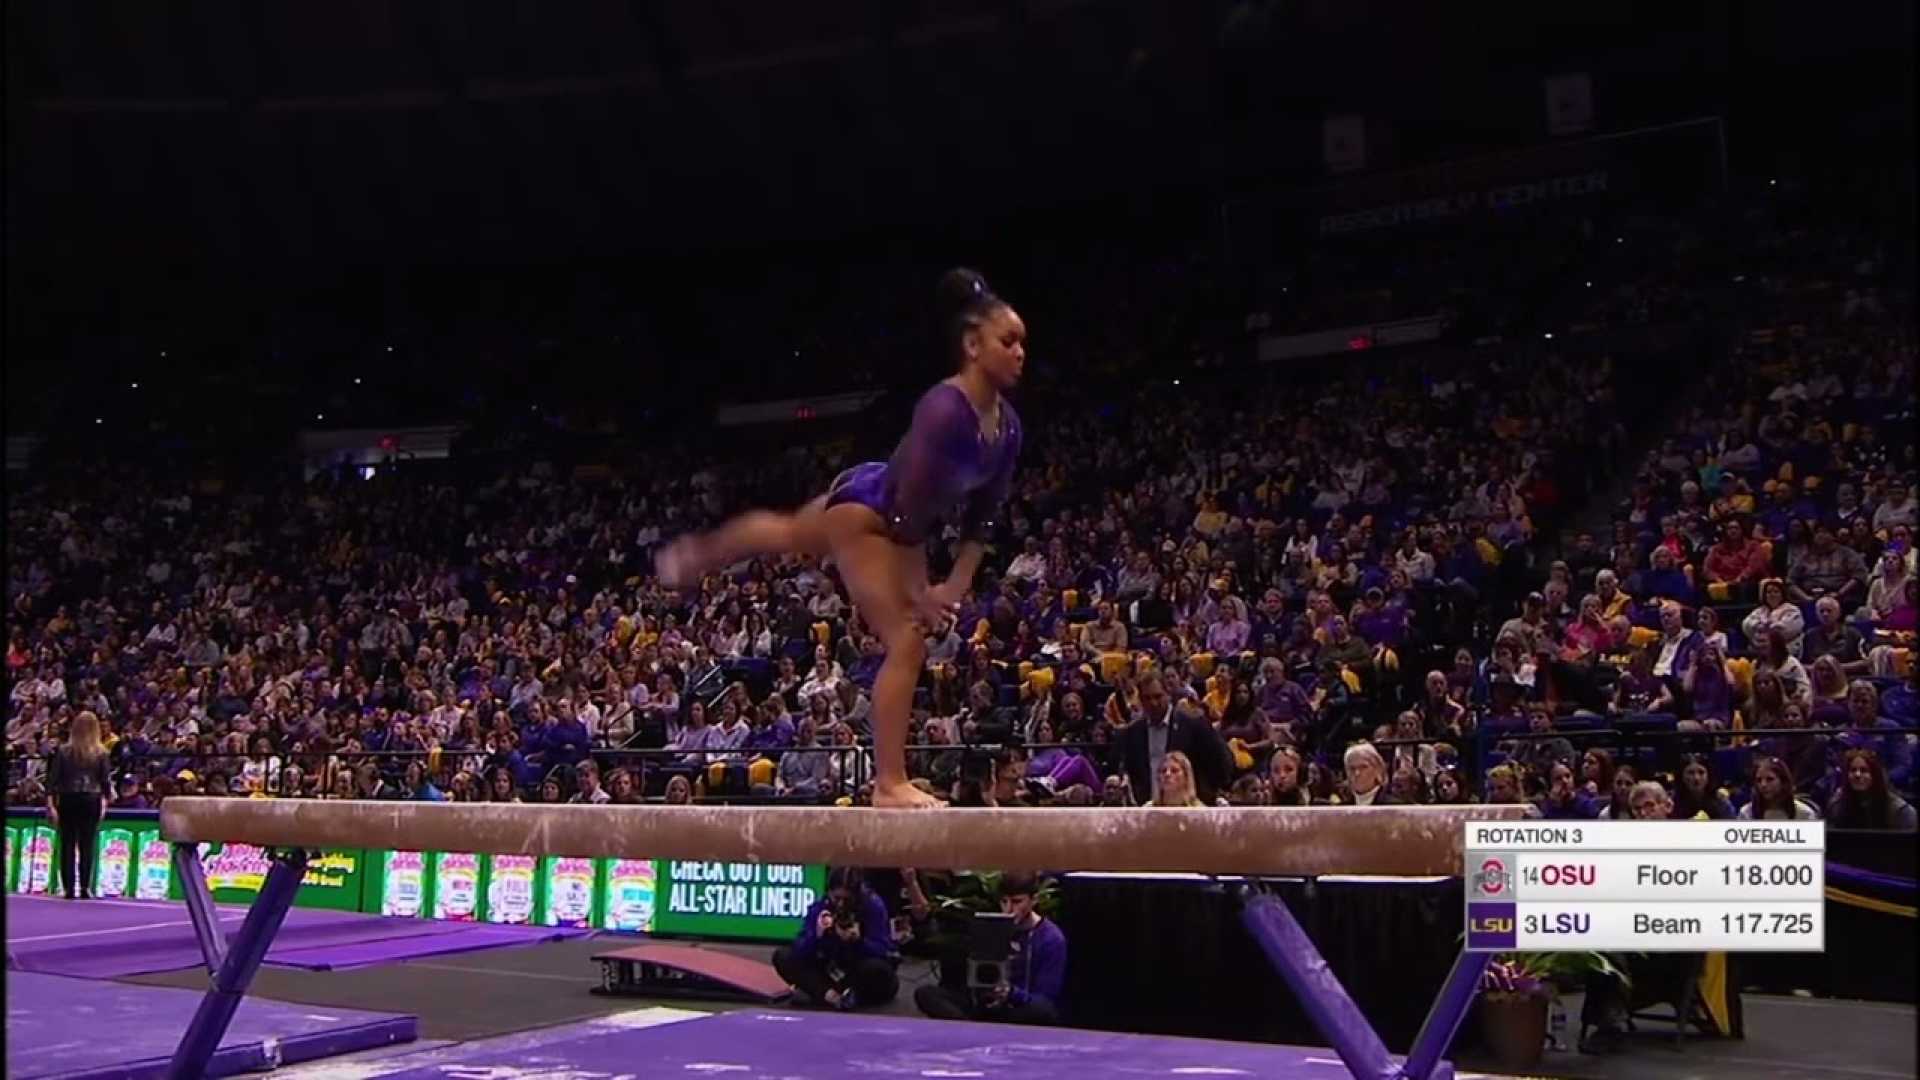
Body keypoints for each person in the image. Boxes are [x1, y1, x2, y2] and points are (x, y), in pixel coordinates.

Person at [654, 269, 1025, 809]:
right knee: (907, 639)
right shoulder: (944, 412)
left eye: (1023, 343)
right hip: (872, 513)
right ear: (972, 345)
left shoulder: (1008, 426)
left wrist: (956, 585)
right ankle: (889, 783)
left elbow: (985, 515)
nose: (1019, 353)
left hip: (874, 492)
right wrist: (921, 587)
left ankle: (699, 553)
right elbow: (907, 515)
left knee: (788, 532)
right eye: (1007, 341)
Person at [915, 873, 1066, 1026]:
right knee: (926, 994)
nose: (1008, 909)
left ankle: (973, 1030)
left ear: (1034, 900)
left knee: (1042, 1012)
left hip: (1018, 1007)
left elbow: (1046, 1000)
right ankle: (972, 1029)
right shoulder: (991, 925)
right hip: (984, 1002)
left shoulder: (1050, 938)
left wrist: (1012, 994)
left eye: (1017, 902)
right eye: (1004, 901)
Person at [771, 868, 900, 1010]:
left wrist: (858, 941)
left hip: (858, 970)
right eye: (837, 898)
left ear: (857, 895)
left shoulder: (873, 906)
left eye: (847, 900)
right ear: (829, 893)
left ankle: (829, 994)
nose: (841, 905)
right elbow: (799, 949)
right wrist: (817, 936)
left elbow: (883, 950)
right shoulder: (821, 908)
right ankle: (830, 996)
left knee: (878, 970)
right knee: (782, 956)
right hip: (829, 970)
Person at [47, 710, 112, 900]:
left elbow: (53, 781)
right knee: (87, 844)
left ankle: (68, 888)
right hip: (91, 799)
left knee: (67, 844)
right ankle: (84, 887)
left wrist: (50, 804)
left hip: (68, 799)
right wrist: (105, 802)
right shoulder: (101, 753)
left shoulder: (64, 751)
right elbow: (105, 781)